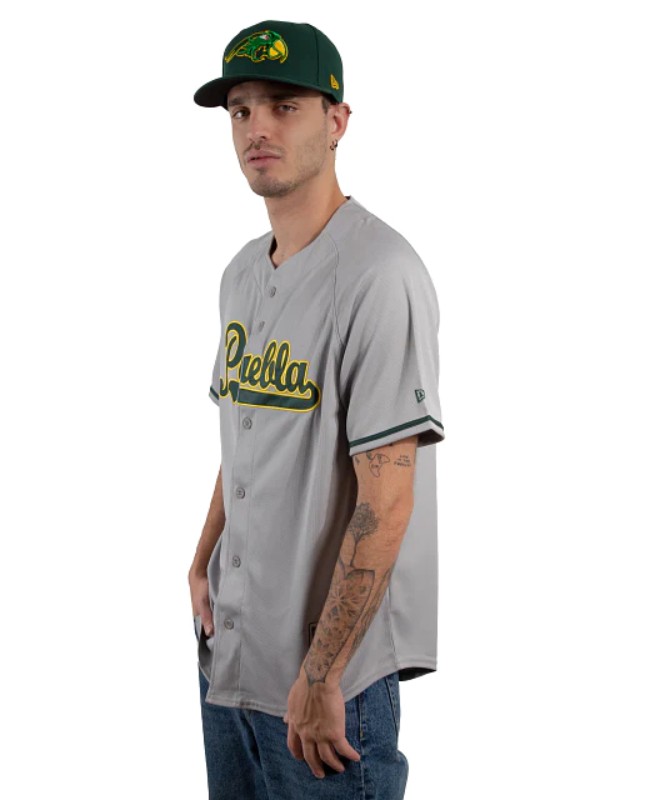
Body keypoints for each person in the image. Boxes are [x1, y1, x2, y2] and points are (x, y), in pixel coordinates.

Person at [189, 19, 445, 800]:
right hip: (230, 651)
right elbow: (246, 436)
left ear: (337, 121)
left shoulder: (379, 274)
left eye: (284, 105)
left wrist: (323, 674)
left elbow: (387, 499)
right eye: (240, 110)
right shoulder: (240, 274)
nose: (256, 128)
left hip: (322, 680)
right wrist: (202, 559)